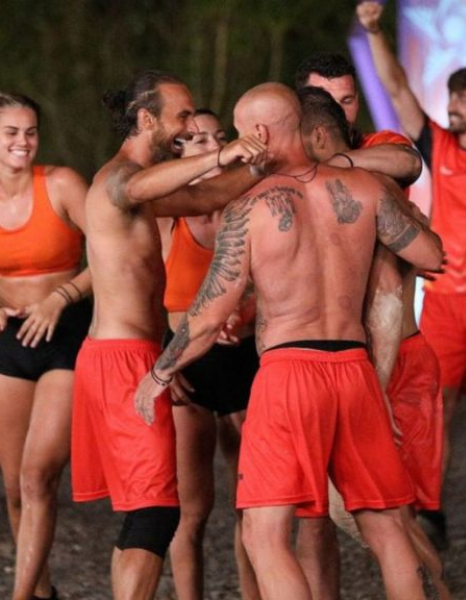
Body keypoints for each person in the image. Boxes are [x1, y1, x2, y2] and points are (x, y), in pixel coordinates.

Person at [134, 82, 444, 600]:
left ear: (258, 133)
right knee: (388, 528)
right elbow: (432, 255)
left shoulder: (248, 207)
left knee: (264, 533)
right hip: (355, 369)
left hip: (289, 374)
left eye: (239, 132)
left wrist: (160, 372)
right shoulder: (366, 188)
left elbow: (208, 316)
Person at [70, 70, 266, 600]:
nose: (187, 127)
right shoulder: (117, 180)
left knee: (145, 511)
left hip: (128, 353)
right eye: (181, 117)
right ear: (146, 119)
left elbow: (207, 198)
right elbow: (135, 187)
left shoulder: (146, 190)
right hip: (120, 360)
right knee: (156, 513)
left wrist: (260, 164)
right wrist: (220, 154)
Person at [358, 1, 466, 544]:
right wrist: (374, 30)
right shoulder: (437, 144)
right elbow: (396, 89)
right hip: (446, 295)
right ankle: (431, 509)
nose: (453, 104)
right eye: (453, 96)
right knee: (440, 404)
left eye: (464, 98)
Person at [299, 86, 450, 600]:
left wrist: (375, 391)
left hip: (389, 367)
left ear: (319, 135)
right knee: (365, 516)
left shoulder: (367, 180)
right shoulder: (322, 186)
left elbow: (388, 291)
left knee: (381, 517)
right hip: (356, 370)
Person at [0, 92, 91, 600]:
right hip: (7, 336)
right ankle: (43, 591)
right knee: (13, 489)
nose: (23, 142)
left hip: (66, 333)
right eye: (11, 132)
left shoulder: (63, 184)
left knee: (37, 477)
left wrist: (61, 298)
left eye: (31, 132)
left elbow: (113, 255)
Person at [160, 109, 261, 600]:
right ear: (176, 150)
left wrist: (241, 308)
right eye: (198, 139)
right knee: (191, 509)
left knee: (253, 504)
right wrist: (160, 362)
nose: (213, 146)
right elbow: (138, 292)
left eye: (219, 137)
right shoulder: (165, 214)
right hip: (189, 365)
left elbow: (276, 281)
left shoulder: (249, 204)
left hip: (246, 359)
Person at [294, 51, 422, 188]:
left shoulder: (379, 144)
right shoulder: (289, 158)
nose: (339, 112)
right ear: (301, 105)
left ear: (357, 100)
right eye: (327, 103)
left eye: (347, 101)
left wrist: (338, 163)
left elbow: (411, 163)